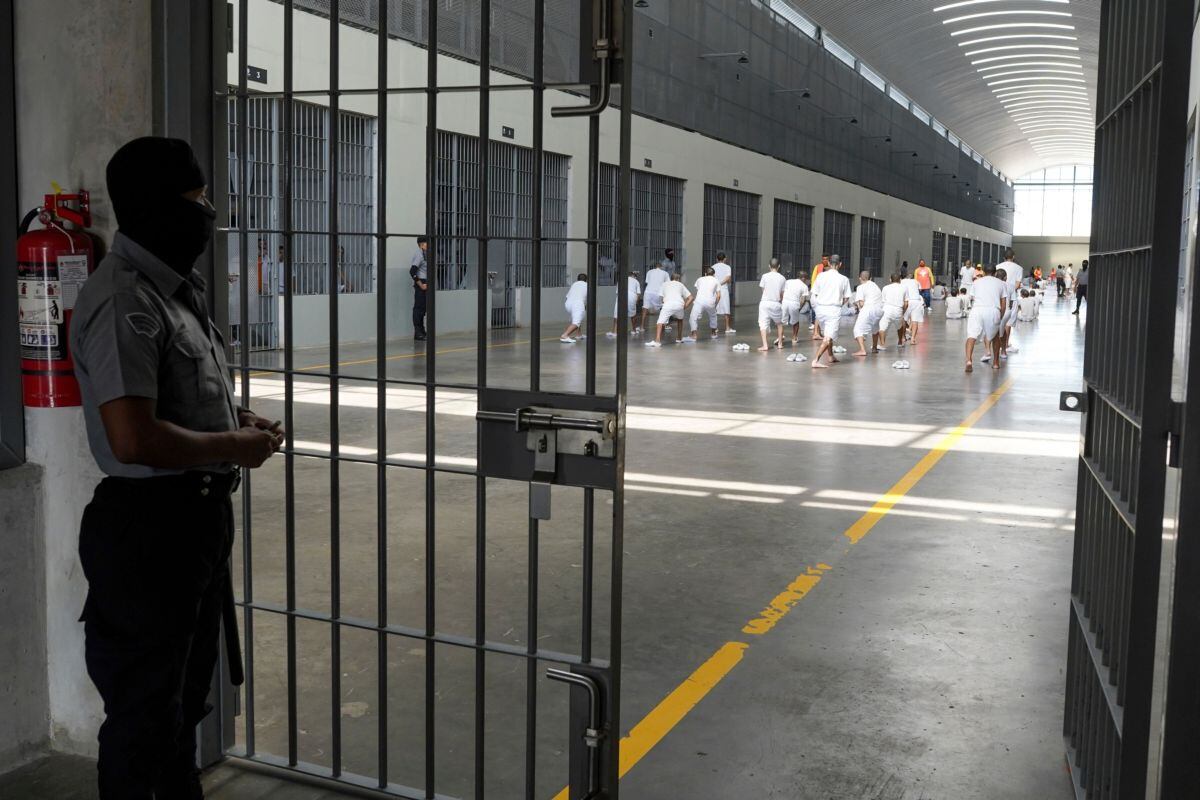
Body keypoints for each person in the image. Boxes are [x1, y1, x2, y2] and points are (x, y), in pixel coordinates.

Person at [70, 137, 284, 799]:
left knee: (183, 701)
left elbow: (174, 396)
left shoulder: (175, 290)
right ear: (161, 205)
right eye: (197, 201)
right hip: (148, 532)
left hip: (192, 524)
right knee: (143, 716)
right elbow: (132, 437)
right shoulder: (124, 301)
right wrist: (230, 446)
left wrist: (235, 420)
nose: (209, 213)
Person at [810, 254, 852, 369]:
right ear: (840, 264)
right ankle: (815, 360)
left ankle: (830, 356)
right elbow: (847, 297)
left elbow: (814, 293)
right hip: (833, 310)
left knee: (828, 334)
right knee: (828, 337)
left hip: (820, 309)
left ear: (828, 263)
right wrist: (839, 303)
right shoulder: (844, 279)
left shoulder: (821, 276)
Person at [965, 263, 1007, 372]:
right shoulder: (1001, 283)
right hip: (993, 310)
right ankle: (996, 363)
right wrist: (1000, 317)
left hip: (977, 309)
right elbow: (1003, 303)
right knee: (995, 337)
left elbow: (972, 298)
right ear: (995, 272)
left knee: (971, 336)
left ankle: (969, 360)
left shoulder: (976, 282)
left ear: (983, 272)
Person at [647, 272, 692, 347]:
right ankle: (679, 338)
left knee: (660, 322)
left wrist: (663, 302)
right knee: (680, 320)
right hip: (679, 304)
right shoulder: (681, 284)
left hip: (668, 304)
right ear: (678, 279)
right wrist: (684, 306)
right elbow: (691, 298)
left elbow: (660, 297)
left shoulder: (664, 284)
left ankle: (657, 341)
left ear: (671, 278)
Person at [996, 248, 1024, 357]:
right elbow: (1017, 284)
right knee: (1008, 323)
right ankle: (1006, 345)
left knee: (998, 321)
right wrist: (1010, 291)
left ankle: (997, 345)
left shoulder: (998, 266)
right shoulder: (1019, 268)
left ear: (1003, 257)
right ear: (1013, 257)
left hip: (998, 296)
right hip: (1011, 297)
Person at [757, 258, 787, 352]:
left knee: (763, 324)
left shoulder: (764, 276)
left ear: (769, 266)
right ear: (779, 266)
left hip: (765, 303)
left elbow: (763, 290)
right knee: (779, 324)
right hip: (776, 303)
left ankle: (765, 346)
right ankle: (780, 344)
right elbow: (782, 294)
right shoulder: (782, 278)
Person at [852, 271, 884, 357]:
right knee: (875, 329)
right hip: (879, 310)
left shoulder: (860, 287)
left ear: (860, 278)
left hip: (868, 308)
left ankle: (862, 350)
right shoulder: (875, 286)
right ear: (870, 278)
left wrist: (860, 307)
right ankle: (874, 348)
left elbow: (861, 303)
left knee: (857, 330)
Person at [690, 265, 721, 340]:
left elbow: (698, 289)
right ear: (714, 274)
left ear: (705, 274)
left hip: (699, 301)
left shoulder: (699, 279)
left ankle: (694, 335)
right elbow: (719, 295)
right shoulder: (716, 280)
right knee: (713, 316)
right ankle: (713, 334)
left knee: (693, 317)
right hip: (710, 301)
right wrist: (715, 304)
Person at [879, 273, 908, 349]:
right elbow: (906, 303)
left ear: (890, 280)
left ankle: (882, 344)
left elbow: (882, 301)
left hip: (887, 309)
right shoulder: (904, 288)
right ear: (900, 280)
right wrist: (903, 311)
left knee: (882, 328)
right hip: (898, 309)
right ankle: (900, 342)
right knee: (900, 327)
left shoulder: (885, 288)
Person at [640, 260, 670, 335]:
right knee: (663, 308)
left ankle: (641, 326)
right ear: (661, 267)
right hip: (658, 292)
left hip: (648, 292)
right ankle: (665, 325)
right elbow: (667, 284)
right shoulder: (665, 273)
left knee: (645, 308)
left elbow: (647, 282)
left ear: (654, 266)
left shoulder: (649, 272)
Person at [608, 272, 642, 338]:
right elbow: (638, 293)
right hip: (632, 296)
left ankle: (614, 332)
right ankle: (634, 330)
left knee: (616, 314)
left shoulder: (620, 280)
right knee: (633, 315)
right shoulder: (636, 281)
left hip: (621, 295)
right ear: (632, 275)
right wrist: (636, 301)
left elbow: (617, 292)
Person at [782, 271, 810, 345]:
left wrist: (782, 301)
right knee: (796, 322)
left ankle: (780, 336)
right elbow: (803, 300)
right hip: (794, 303)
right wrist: (799, 308)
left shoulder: (788, 281)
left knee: (782, 321)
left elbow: (783, 292)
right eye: (806, 278)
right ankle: (794, 338)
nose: (806, 280)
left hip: (785, 302)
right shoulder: (804, 286)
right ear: (803, 278)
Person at [711, 252, 735, 334]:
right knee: (726, 309)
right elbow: (728, 278)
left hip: (714, 290)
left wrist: (717, 284)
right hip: (724, 289)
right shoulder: (728, 267)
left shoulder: (713, 267)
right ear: (725, 259)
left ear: (717, 259)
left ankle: (715, 328)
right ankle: (727, 328)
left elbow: (711, 278)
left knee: (714, 308)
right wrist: (721, 283)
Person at [899, 267, 924, 345]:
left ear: (905, 275)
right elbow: (920, 290)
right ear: (913, 276)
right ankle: (913, 339)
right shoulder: (916, 281)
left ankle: (903, 337)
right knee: (915, 321)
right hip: (916, 301)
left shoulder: (902, 281)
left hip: (907, 301)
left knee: (903, 320)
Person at [561, 273, 588, 343]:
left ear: (578, 279)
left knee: (577, 318)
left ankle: (579, 335)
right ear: (586, 280)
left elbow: (567, 296)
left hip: (568, 304)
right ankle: (565, 335)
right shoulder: (587, 285)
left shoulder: (574, 284)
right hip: (578, 303)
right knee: (576, 322)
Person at [411, 235, 429, 341]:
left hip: (426, 282)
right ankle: (418, 332)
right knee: (418, 309)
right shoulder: (419, 254)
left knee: (423, 309)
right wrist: (421, 285)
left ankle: (422, 331)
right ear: (422, 244)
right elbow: (412, 271)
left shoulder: (425, 254)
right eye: (427, 243)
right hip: (421, 284)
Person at [810, 254, 830, 338]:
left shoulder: (830, 268)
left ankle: (818, 332)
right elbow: (813, 278)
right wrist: (814, 290)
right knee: (818, 314)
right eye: (823, 259)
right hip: (817, 294)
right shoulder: (818, 267)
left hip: (823, 294)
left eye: (826, 259)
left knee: (819, 315)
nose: (824, 260)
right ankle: (816, 333)